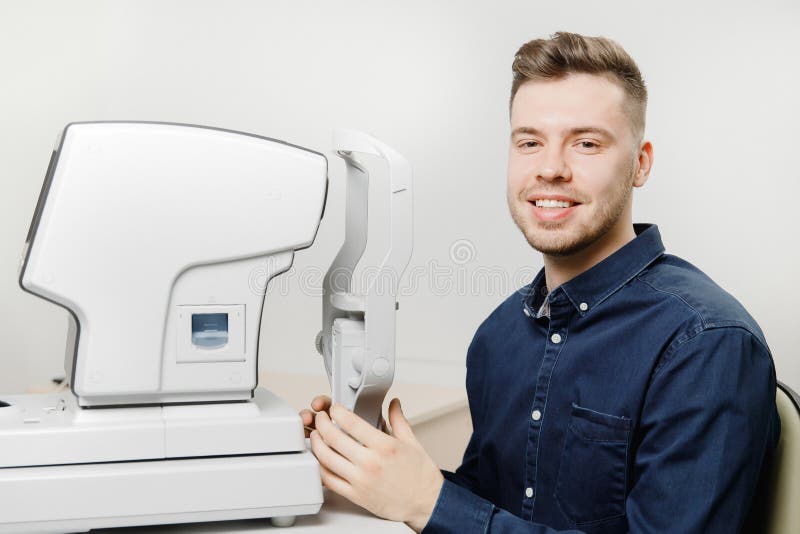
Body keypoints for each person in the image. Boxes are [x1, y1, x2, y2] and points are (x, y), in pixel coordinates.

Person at [300, 31, 781, 533]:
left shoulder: (705, 345)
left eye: (587, 143)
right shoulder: (499, 335)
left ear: (640, 164)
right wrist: (386, 474)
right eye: (529, 142)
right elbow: (500, 511)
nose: (550, 168)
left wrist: (430, 503)